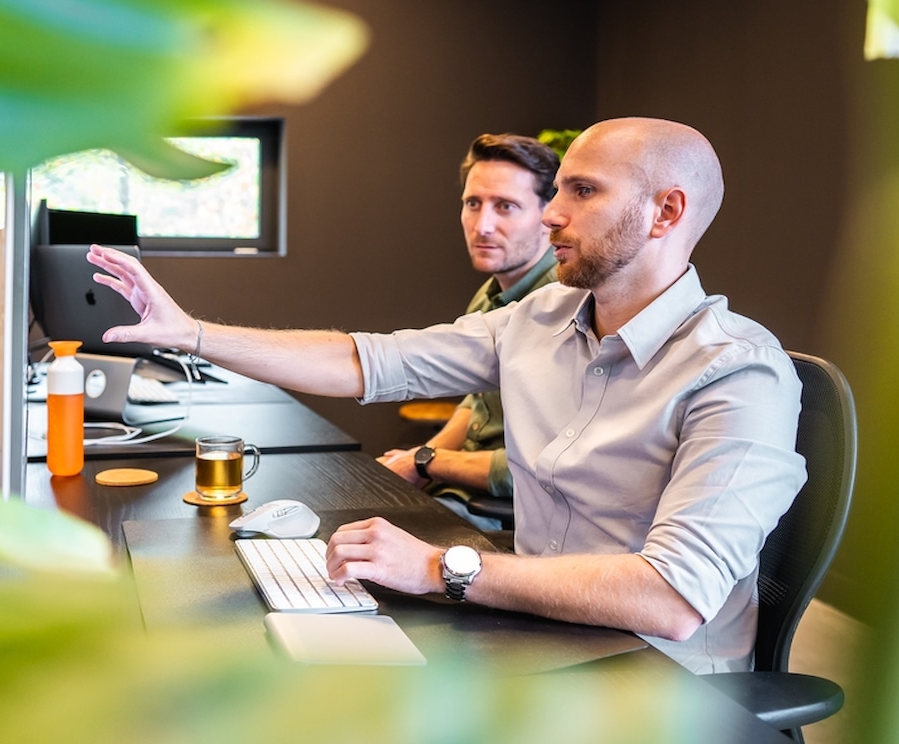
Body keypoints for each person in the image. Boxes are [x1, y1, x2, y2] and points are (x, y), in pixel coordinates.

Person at [86, 117, 807, 674]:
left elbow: (670, 600)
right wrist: (192, 333)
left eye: (582, 191)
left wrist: (438, 569)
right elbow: (371, 362)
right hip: (539, 630)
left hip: (659, 676)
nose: (550, 214)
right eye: (557, 191)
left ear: (665, 212)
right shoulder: (541, 316)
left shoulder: (740, 374)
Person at [376, 133, 559, 531]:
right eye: (473, 204)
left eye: (505, 206)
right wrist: (412, 462)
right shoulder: (494, 291)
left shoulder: (564, 306)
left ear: (551, 214)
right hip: (458, 491)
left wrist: (425, 462)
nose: (483, 225)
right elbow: (477, 405)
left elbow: (547, 469)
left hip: (512, 516)